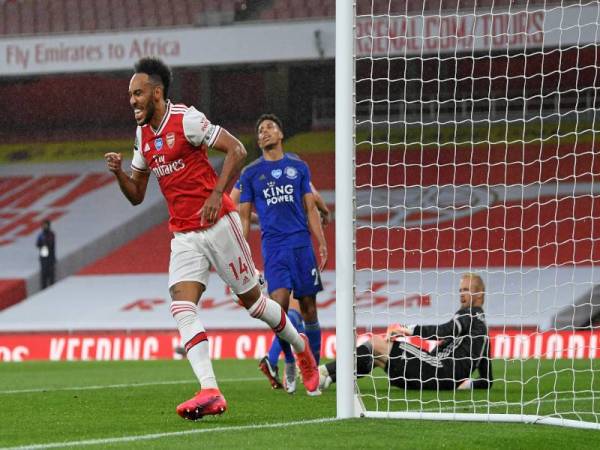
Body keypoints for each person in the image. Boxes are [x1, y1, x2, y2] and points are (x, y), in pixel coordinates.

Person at [104, 57, 320, 421]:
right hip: (184, 235)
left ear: (157, 93)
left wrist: (215, 193)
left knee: (254, 305)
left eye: (138, 93)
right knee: (181, 307)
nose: (132, 100)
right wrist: (119, 174)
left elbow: (236, 149)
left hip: (218, 225)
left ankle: (301, 350)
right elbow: (137, 194)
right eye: (130, 94)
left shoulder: (186, 119)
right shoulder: (142, 136)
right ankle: (210, 389)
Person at [238, 114, 328, 393]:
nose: (264, 132)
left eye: (269, 128)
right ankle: (290, 360)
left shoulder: (298, 167)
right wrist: (240, 255)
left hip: (301, 244)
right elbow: (243, 218)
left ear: (280, 134)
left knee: (310, 308)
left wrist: (321, 242)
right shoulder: (250, 173)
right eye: (260, 129)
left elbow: (310, 206)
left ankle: (311, 367)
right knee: (279, 310)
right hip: (274, 248)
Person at [319, 273, 493, 391]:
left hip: (436, 370)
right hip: (443, 379)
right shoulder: (484, 333)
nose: (462, 294)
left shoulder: (469, 314)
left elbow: (444, 331)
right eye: (461, 290)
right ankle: (328, 379)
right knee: (377, 357)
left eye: (467, 290)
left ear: (479, 294)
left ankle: (322, 371)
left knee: (377, 344)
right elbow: (487, 380)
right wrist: (466, 384)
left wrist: (407, 329)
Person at [36, 220, 56, 289]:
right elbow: (37, 244)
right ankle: (43, 288)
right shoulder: (41, 235)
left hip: (50, 256)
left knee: (51, 274)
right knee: (43, 274)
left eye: (46, 225)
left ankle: (52, 288)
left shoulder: (51, 234)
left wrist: (45, 243)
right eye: (43, 225)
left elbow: (51, 244)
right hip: (43, 255)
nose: (44, 227)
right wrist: (43, 244)